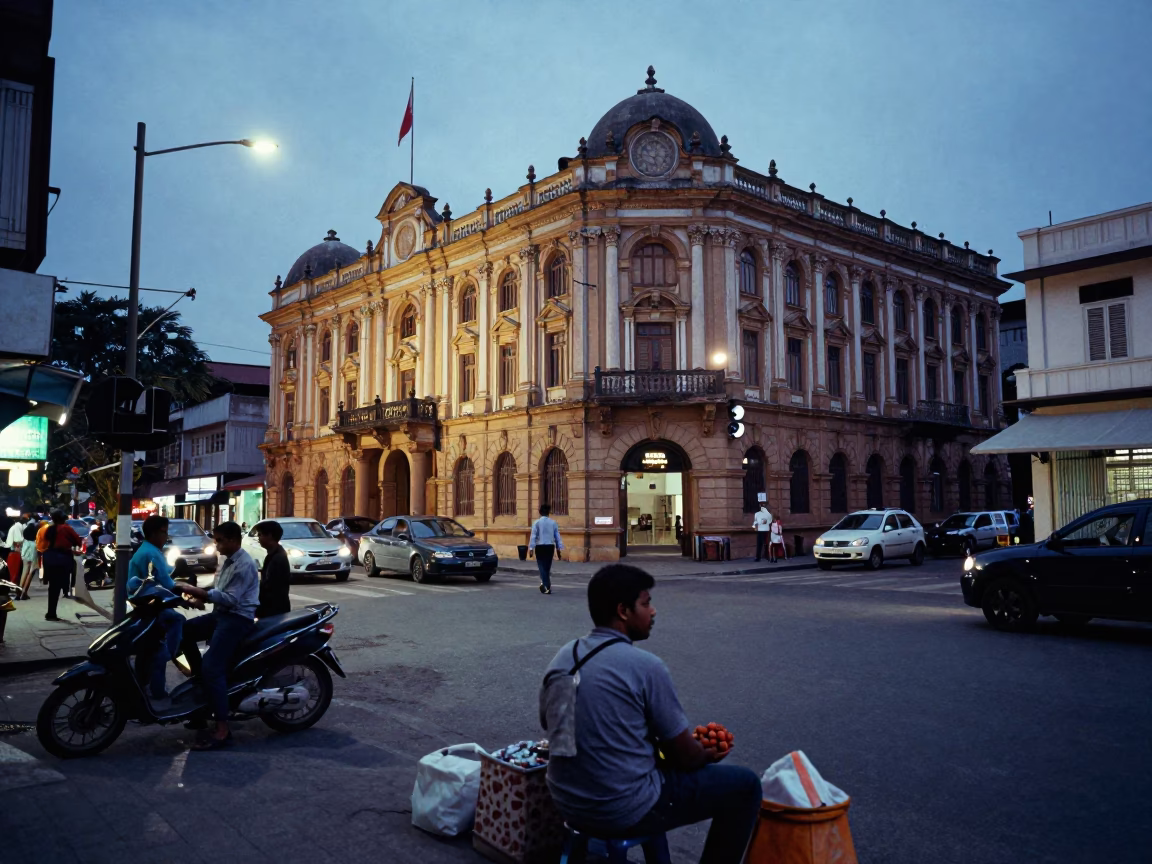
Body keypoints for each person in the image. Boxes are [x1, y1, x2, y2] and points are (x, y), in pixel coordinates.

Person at [544, 565, 762, 863]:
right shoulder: (645, 666)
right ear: (623, 611)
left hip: (565, 800)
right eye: (646, 604)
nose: (654, 611)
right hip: (622, 808)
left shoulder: (565, 656)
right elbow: (685, 757)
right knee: (745, 785)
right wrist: (707, 753)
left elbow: (555, 727)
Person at [176, 521, 259, 750]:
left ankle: (223, 730)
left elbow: (231, 599)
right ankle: (202, 690)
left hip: (237, 619)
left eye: (220, 540)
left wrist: (196, 591)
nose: (217, 544)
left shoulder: (244, 564)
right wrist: (199, 598)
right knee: (183, 631)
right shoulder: (225, 560)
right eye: (216, 539)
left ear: (233, 540)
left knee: (213, 668)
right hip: (221, 614)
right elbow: (218, 588)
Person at [126, 515, 186, 702]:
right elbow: (167, 583)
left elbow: (165, 573)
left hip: (142, 604)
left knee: (150, 650)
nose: (166, 536)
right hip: (149, 606)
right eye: (164, 532)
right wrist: (188, 596)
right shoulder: (151, 553)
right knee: (178, 621)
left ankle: (151, 688)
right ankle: (173, 654)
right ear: (154, 533)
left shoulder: (146, 550)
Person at [37, 511, 83, 622]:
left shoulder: (49, 529)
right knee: (60, 584)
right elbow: (78, 541)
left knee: (53, 587)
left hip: (49, 557)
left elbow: (48, 544)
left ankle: (51, 612)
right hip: (61, 559)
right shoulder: (66, 528)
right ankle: (52, 612)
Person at [254, 520, 290, 619]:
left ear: (269, 536)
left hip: (274, 610)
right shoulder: (273, 554)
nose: (258, 539)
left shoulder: (278, 558)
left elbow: (271, 587)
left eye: (260, 535)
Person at [528, 504, 563, 595]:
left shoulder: (536, 523)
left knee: (541, 566)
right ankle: (546, 583)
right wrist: (559, 548)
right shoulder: (553, 523)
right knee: (547, 566)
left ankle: (546, 585)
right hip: (550, 547)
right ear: (548, 512)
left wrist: (531, 548)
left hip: (540, 547)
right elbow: (557, 536)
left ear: (540, 512)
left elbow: (533, 536)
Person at [19, 517, 41, 600]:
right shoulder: (35, 542)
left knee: (24, 572)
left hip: (24, 555)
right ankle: (24, 593)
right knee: (30, 573)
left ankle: (19, 591)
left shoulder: (25, 541)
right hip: (33, 553)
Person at [6, 516, 27, 598]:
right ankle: (13, 591)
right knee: (14, 573)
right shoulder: (17, 528)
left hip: (13, 553)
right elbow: (18, 540)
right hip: (15, 553)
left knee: (14, 573)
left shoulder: (14, 527)